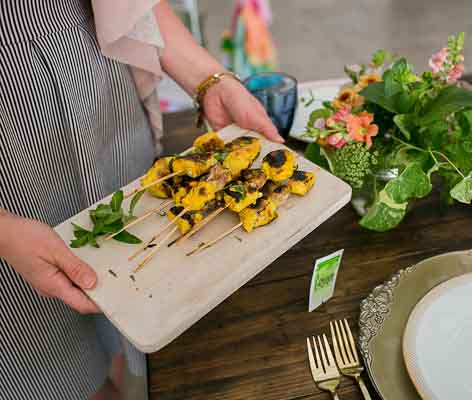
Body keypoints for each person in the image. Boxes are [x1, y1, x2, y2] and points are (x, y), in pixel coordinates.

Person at [0, 1, 281, 399]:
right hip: (9, 182)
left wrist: (210, 80)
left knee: (128, 292)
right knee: (50, 363)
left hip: (96, 76)